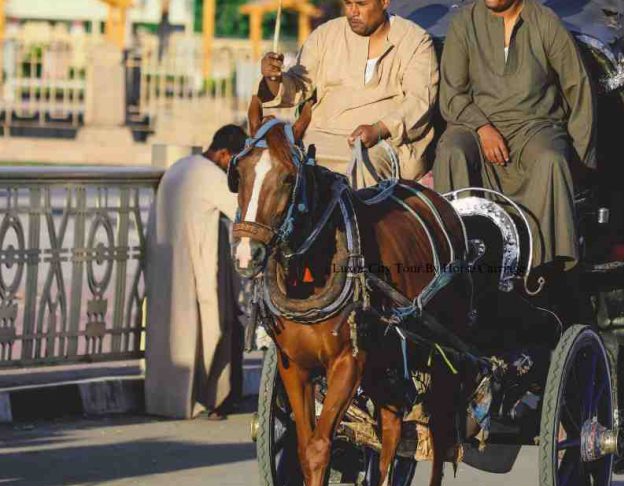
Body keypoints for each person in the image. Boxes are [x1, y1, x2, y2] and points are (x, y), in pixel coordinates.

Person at [433, 0, 596, 275]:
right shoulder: (464, 22)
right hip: (475, 127)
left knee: (551, 159)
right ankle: (455, 257)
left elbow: (577, 87)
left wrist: (580, 159)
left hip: (534, 127)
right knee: (451, 150)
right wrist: (483, 127)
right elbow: (452, 95)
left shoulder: (544, 21)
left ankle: (543, 269)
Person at [257, 0, 438, 187]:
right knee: (271, 166)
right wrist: (274, 78)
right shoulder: (325, 35)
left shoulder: (416, 41)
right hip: (320, 137)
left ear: (384, 2)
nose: (353, 12)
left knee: (364, 168)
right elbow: (298, 85)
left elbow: (419, 102)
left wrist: (378, 129)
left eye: (361, 4)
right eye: (348, 3)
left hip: (383, 144)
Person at [144, 125, 248, 420]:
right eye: (234, 162)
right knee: (217, 326)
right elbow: (242, 213)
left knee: (173, 333)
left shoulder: (179, 167)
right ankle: (217, 399)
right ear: (225, 154)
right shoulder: (211, 175)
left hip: (165, 266)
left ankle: (166, 400)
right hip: (195, 266)